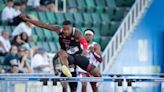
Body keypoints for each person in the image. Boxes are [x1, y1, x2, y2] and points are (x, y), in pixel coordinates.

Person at [20, 15, 101, 78]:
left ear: (71, 28)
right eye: (64, 29)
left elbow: (83, 41)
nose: (65, 31)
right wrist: (27, 20)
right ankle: (66, 69)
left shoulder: (76, 32)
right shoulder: (58, 30)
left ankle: (69, 70)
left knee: (97, 73)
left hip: (78, 56)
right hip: (68, 58)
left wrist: (85, 49)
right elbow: (42, 25)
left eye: (68, 29)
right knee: (61, 52)